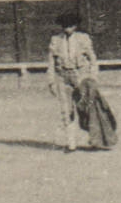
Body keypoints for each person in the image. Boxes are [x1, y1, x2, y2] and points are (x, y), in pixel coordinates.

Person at [47, 11, 116, 151]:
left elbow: (92, 59)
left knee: (88, 110)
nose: (68, 28)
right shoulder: (55, 40)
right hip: (62, 77)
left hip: (81, 77)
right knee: (66, 111)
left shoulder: (83, 38)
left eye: (71, 25)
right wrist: (51, 81)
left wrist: (93, 78)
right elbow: (50, 62)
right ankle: (71, 144)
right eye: (65, 25)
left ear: (76, 26)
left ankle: (96, 140)